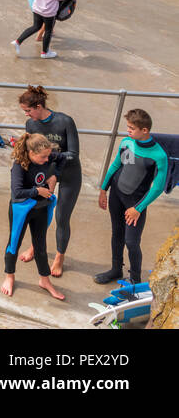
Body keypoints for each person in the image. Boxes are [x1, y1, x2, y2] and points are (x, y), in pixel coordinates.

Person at [94, 108, 169, 285]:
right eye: (127, 127)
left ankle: (135, 279)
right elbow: (116, 166)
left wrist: (138, 209)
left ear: (145, 130)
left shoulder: (159, 155)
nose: (128, 131)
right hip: (116, 195)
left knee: (132, 241)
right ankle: (115, 270)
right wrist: (103, 190)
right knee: (117, 234)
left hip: (135, 203)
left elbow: (157, 188)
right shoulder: (127, 143)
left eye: (131, 128)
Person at [19, 86, 81, 277]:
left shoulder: (64, 121)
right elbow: (31, 152)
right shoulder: (31, 125)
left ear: (39, 106)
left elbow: (73, 154)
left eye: (28, 110)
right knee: (40, 214)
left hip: (69, 174)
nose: (27, 115)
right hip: (47, 175)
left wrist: (49, 157)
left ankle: (59, 257)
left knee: (62, 217)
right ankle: (35, 247)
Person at [1, 133, 64, 300]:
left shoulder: (47, 156)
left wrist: (54, 176)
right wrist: (37, 190)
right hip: (21, 209)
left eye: (48, 156)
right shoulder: (19, 166)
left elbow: (64, 159)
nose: (46, 160)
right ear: (31, 153)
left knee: (40, 246)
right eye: (43, 157)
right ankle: (9, 276)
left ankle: (44, 280)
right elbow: (17, 191)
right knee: (14, 243)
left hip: (41, 208)